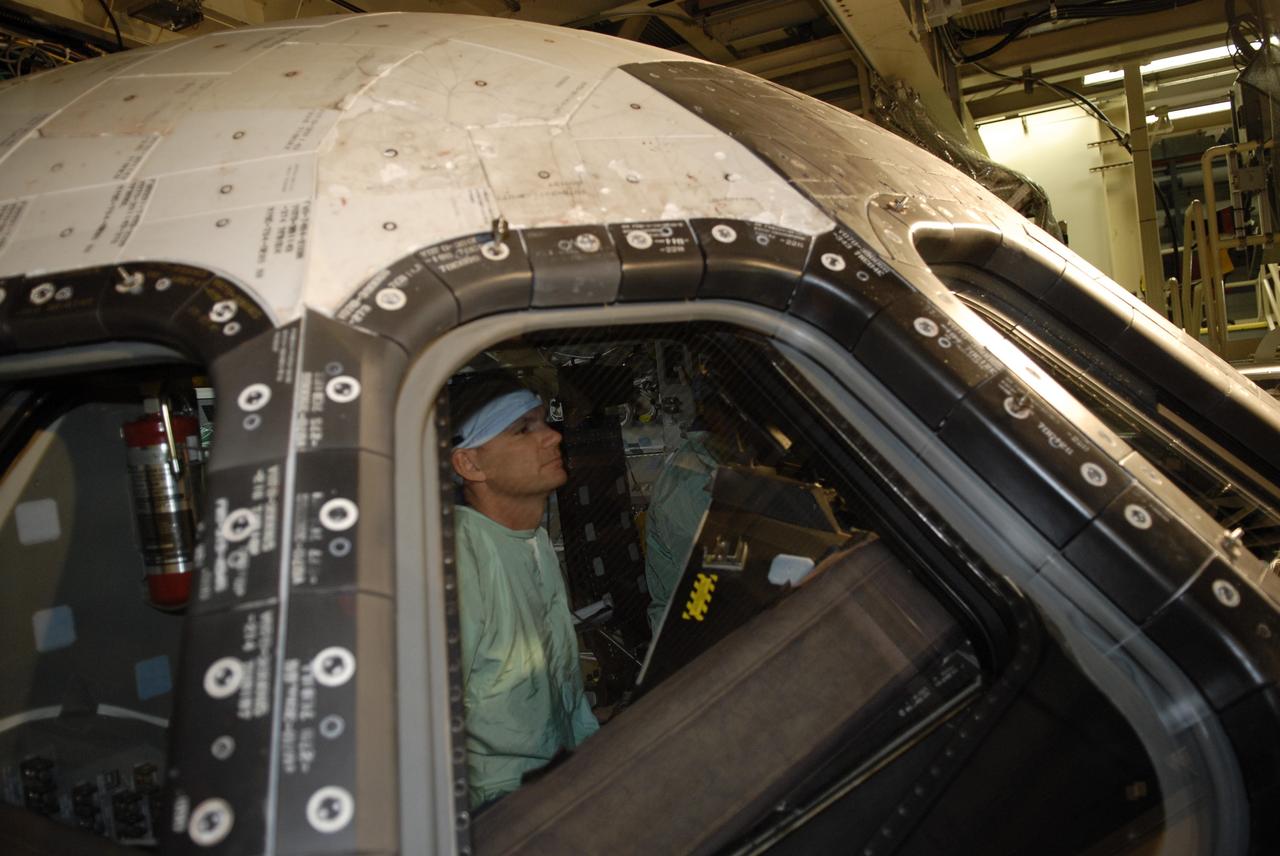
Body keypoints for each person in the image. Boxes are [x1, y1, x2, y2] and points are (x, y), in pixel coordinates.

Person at [448, 372, 598, 808]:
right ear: (470, 465)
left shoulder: (528, 539)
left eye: (543, 422)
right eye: (523, 430)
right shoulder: (460, 557)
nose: (552, 437)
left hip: (559, 774)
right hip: (503, 803)